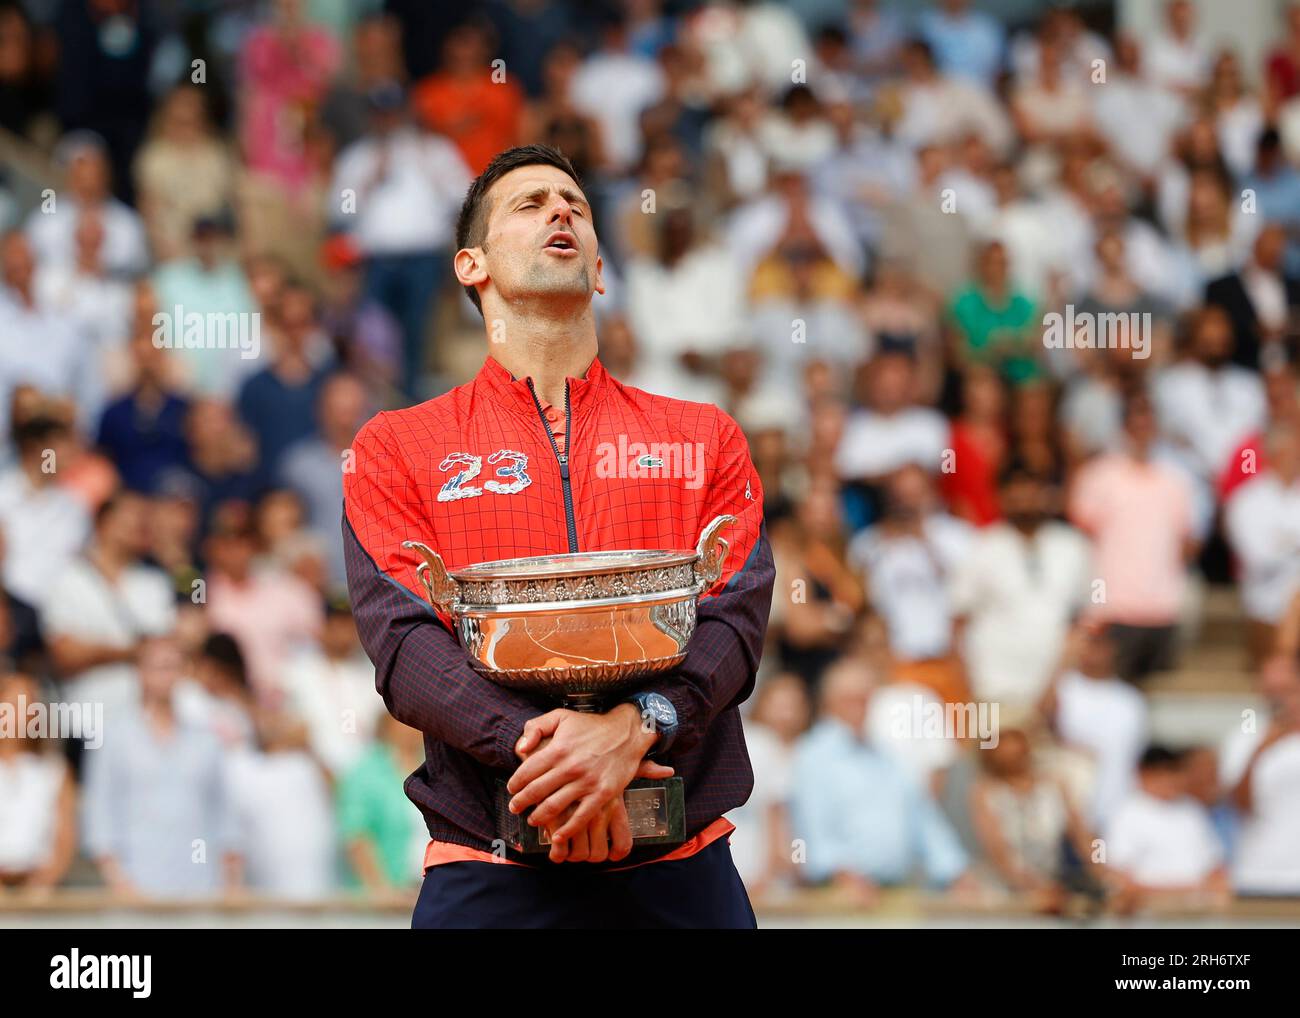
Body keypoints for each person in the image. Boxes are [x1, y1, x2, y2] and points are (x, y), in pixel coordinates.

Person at [343, 144, 774, 928]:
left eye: (574, 203)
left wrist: (637, 727)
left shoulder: (703, 436)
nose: (560, 211)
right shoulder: (395, 446)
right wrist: (568, 758)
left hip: (682, 870)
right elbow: (406, 647)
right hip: (490, 864)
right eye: (530, 203)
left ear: (601, 271)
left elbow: (734, 624)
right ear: (471, 266)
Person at [789, 659, 970, 903]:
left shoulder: (887, 756)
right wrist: (841, 874)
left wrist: (956, 871)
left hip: (894, 892)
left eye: (865, 698)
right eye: (850, 699)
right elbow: (808, 831)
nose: (859, 707)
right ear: (828, 702)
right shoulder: (812, 756)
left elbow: (923, 818)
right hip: (838, 896)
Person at [0, 672, 77, 892]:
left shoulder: (54, 769)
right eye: (12, 705)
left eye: (28, 706)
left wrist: (41, 883)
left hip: (40, 892)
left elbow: (64, 836)